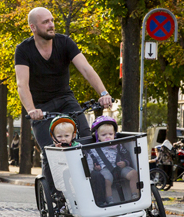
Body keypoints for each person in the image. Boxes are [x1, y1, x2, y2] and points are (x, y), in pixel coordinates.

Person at [14, 7, 113, 202]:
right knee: (51, 151)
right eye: (45, 22)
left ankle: (96, 187)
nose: (51, 25)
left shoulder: (64, 42)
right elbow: (22, 84)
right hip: (41, 107)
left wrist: (103, 93)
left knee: (86, 139)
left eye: (52, 20)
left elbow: (86, 69)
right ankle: (54, 198)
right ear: (33, 27)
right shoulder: (23, 50)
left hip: (66, 99)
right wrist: (31, 110)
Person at [86, 116, 139, 205]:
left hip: (120, 167)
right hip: (104, 168)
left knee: (134, 173)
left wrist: (125, 162)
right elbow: (92, 158)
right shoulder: (94, 148)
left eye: (110, 134)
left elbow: (127, 155)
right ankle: (110, 200)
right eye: (104, 135)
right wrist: (96, 166)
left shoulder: (118, 145)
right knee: (106, 179)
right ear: (97, 136)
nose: (108, 137)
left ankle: (135, 196)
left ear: (114, 135)